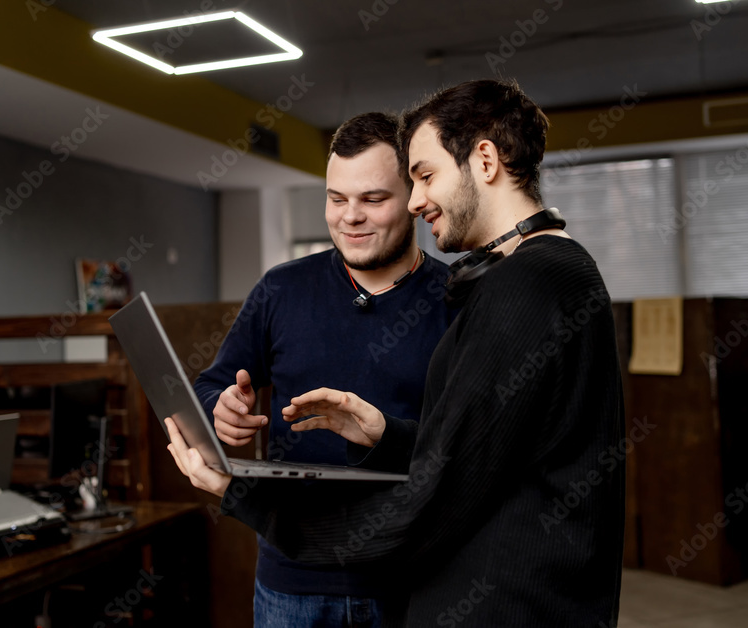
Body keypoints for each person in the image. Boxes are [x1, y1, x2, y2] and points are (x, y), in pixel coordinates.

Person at [169, 78, 625, 627]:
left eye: (423, 177)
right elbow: (477, 451)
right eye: (337, 199)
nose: (416, 200)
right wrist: (383, 433)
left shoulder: (515, 288)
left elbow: (439, 496)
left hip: (467, 590)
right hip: (311, 581)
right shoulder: (555, 270)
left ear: (484, 160)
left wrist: (240, 494)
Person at [192, 112, 456, 627]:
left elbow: (469, 444)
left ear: (414, 197)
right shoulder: (281, 289)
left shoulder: (457, 301)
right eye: (337, 199)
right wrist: (221, 410)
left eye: (373, 199)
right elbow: (211, 385)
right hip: (293, 579)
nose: (349, 217)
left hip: (410, 577)